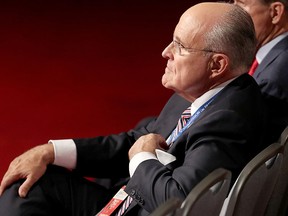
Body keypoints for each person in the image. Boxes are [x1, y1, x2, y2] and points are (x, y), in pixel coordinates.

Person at [0, 2, 267, 216]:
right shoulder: (206, 91)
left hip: (141, 204)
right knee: (29, 182)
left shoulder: (228, 121)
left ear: (217, 65)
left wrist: (141, 158)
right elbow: (134, 140)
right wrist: (51, 151)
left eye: (181, 47)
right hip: (128, 198)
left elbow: (182, 201)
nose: (165, 52)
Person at [234, 0, 288, 145]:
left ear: (275, 12)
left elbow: (251, 140)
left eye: (241, 4)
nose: (233, 11)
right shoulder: (272, 56)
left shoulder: (274, 75)